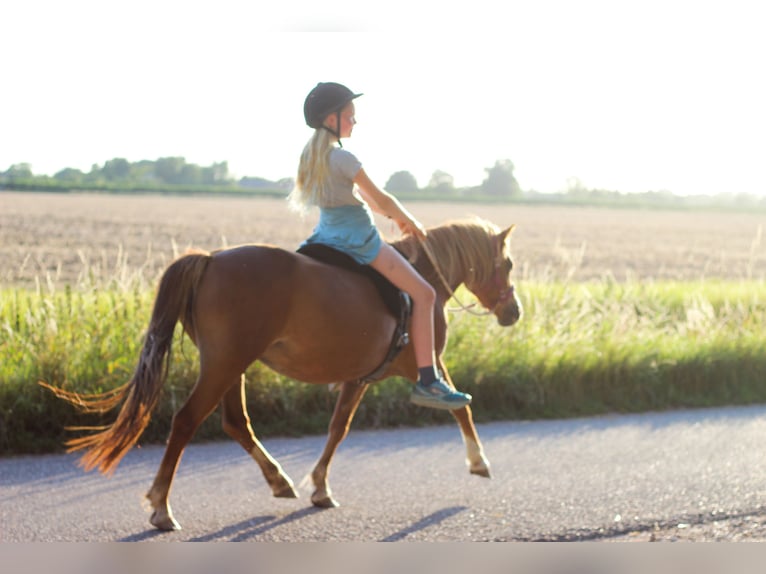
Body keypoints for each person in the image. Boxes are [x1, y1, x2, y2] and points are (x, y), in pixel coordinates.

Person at [288, 81, 472, 411]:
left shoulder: (309, 158)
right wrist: (410, 220)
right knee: (425, 294)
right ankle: (429, 382)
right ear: (332, 120)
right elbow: (380, 197)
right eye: (349, 116)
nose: (354, 122)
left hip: (323, 238)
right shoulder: (343, 157)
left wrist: (391, 216)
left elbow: (352, 199)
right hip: (359, 241)